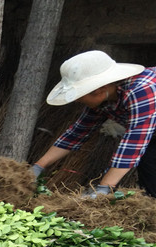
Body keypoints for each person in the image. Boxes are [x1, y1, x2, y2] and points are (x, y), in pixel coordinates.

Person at [32, 50, 156, 199]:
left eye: (79, 95)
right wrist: (38, 167)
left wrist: (102, 190)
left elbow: (133, 143)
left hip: (145, 134)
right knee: (150, 175)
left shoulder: (141, 91)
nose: (77, 100)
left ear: (99, 89)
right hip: (151, 135)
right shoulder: (104, 98)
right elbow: (77, 132)